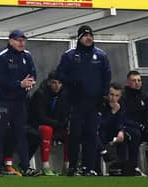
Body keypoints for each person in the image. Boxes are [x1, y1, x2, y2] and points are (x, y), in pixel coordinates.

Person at [56, 25, 111, 176]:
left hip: (94, 103)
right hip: (76, 102)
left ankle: (89, 167)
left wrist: (104, 96)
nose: (89, 38)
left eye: (91, 36)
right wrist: (71, 82)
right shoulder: (70, 55)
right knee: (75, 135)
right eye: (85, 36)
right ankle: (73, 167)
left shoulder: (100, 55)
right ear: (79, 38)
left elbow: (107, 77)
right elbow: (59, 73)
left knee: (92, 135)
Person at [0, 29, 39, 176]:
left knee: (21, 133)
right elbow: (0, 79)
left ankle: (25, 166)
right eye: (18, 40)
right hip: (2, 101)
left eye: (23, 40)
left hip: (19, 102)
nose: (21, 42)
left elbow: (33, 72)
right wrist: (19, 84)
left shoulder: (27, 56)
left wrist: (30, 82)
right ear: (10, 41)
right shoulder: (1, 56)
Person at [28, 71, 71, 176]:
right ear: (48, 82)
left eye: (60, 83)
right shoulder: (40, 94)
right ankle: (45, 166)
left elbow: (66, 114)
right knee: (47, 130)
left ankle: (67, 167)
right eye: (54, 83)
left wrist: (63, 123)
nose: (57, 86)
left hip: (57, 126)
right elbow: (40, 117)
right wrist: (58, 123)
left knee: (71, 132)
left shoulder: (65, 95)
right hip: (39, 126)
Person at [97, 83, 143, 176]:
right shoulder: (100, 103)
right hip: (102, 132)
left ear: (120, 96)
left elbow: (121, 120)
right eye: (111, 94)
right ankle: (97, 169)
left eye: (116, 95)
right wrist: (113, 112)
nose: (113, 98)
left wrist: (121, 131)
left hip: (114, 131)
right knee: (95, 136)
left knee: (130, 135)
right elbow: (100, 124)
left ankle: (127, 166)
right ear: (107, 93)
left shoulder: (121, 104)